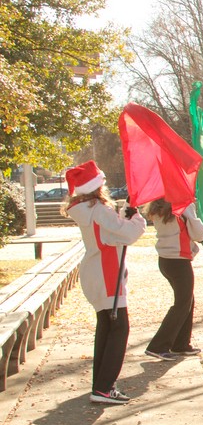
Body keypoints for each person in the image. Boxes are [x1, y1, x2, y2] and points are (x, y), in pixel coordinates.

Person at [62, 160, 146, 404]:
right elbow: (127, 234)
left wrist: (125, 215)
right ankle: (104, 387)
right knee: (119, 329)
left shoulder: (87, 209)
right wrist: (136, 217)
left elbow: (112, 231)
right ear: (97, 186)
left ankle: (101, 384)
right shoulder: (97, 208)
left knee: (107, 328)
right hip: (108, 272)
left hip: (99, 271)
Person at [143, 198, 203, 361]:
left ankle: (181, 344)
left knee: (187, 301)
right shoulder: (182, 205)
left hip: (165, 259)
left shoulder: (157, 206)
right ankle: (158, 345)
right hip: (178, 259)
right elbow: (198, 234)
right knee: (182, 304)